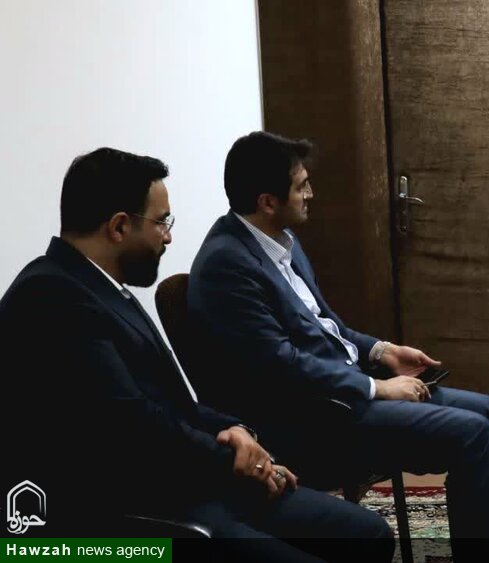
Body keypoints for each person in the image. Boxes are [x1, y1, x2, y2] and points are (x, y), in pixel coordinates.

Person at [0, 148, 392, 560]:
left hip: (181, 481)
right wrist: (237, 461)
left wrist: (235, 430)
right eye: (161, 222)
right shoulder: (51, 297)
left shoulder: (100, 287)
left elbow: (172, 404)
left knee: (368, 533)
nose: (168, 237)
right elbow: (133, 425)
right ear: (119, 226)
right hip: (122, 515)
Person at [187, 132, 489, 560]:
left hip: (344, 390)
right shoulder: (228, 264)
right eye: (301, 186)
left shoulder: (279, 242)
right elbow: (280, 363)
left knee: (486, 410)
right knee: (472, 432)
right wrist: (376, 388)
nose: (311, 194)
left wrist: (381, 351)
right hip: (313, 417)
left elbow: (327, 326)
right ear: (268, 201)